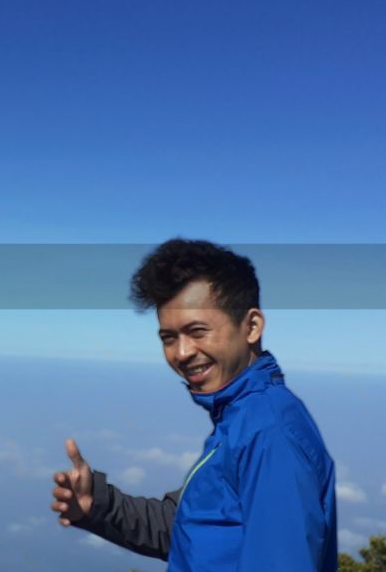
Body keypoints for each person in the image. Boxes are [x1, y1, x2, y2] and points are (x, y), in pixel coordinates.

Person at [51, 238, 338, 571]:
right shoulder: (241, 418)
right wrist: (98, 505)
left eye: (197, 331)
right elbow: (195, 529)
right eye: (168, 338)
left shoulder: (268, 432)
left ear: (251, 326)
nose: (182, 352)